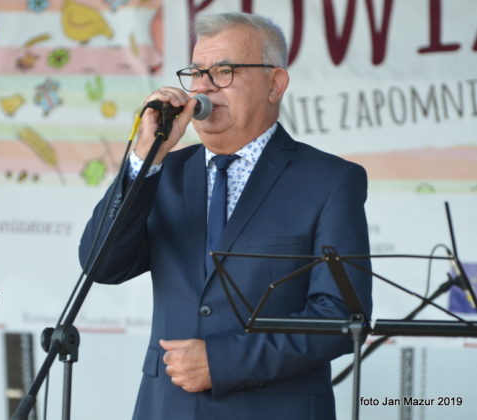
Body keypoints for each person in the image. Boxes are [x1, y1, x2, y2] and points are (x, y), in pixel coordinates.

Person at [79, 11, 372, 420]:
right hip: (169, 407)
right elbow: (101, 265)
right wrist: (144, 156)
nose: (203, 86)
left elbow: (342, 317)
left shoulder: (330, 180)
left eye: (224, 71)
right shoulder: (162, 172)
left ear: (274, 84)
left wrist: (222, 361)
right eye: (197, 73)